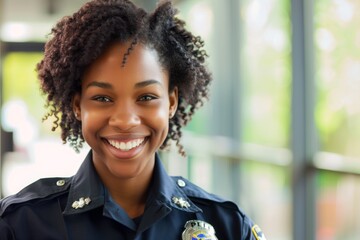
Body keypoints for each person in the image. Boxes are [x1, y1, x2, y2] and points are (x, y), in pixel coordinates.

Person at [0, 0, 266, 239]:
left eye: (147, 97)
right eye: (102, 98)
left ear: (171, 102)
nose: (125, 121)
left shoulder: (228, 226)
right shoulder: (20, 225)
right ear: (77, 106)